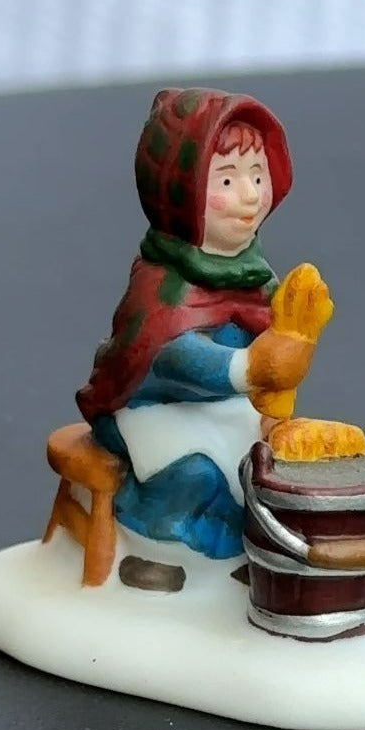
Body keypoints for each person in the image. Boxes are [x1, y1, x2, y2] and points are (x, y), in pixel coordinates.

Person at [76, 88, 319, 566]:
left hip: (226, 410)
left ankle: (242, 548)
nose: (250, 195)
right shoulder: (164, 283)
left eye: (258, 175)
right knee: (195, 476)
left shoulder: (254, 275)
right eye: (226, 179)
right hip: (152, 411)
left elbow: (276, 339)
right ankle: (152, 546)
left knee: (262, 467)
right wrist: (251, 367)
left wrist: (294, 339)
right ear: (182, 196)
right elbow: (172, 355)